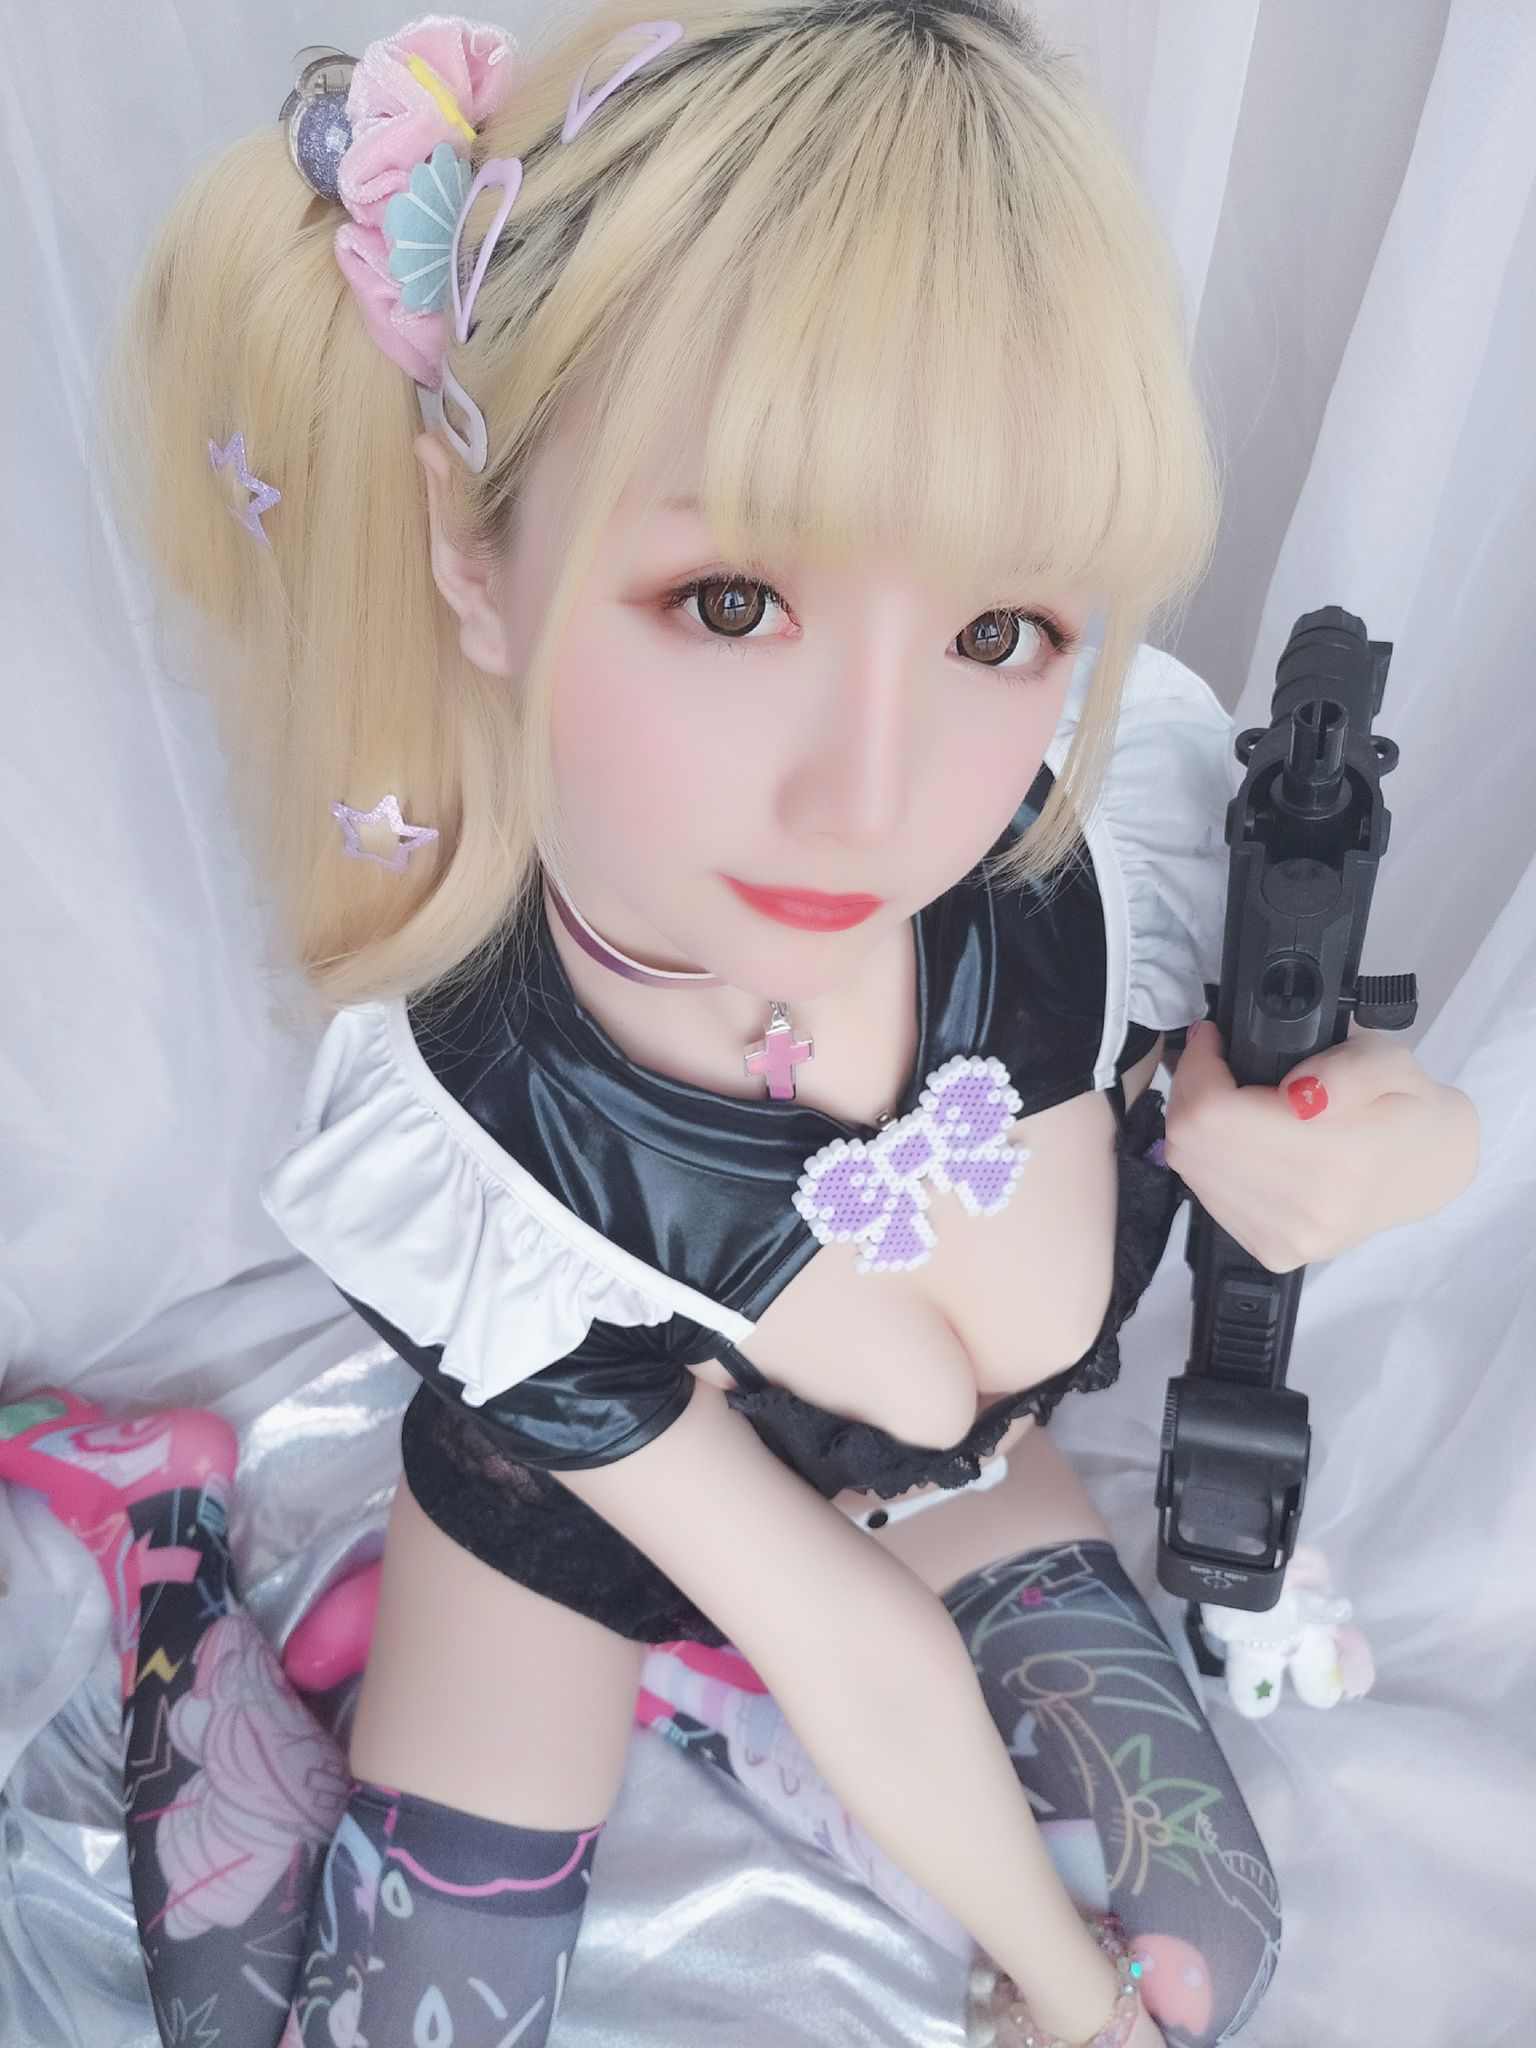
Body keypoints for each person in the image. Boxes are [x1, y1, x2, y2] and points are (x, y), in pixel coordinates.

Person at [14, 3, 1309, 2041]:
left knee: (1207, 1953)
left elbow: (1312, 1096)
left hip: (940, 1478)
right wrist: (1062, 1998)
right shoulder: (482, 1132)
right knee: (305, 2011)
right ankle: (162, 1537)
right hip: (578, 1535)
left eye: (995, 627)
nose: (869, 795)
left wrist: (1355, 1149)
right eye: (731, 603)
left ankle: (714, 1702)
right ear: (477, 560)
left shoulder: (1098, 844)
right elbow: (845, 1637)